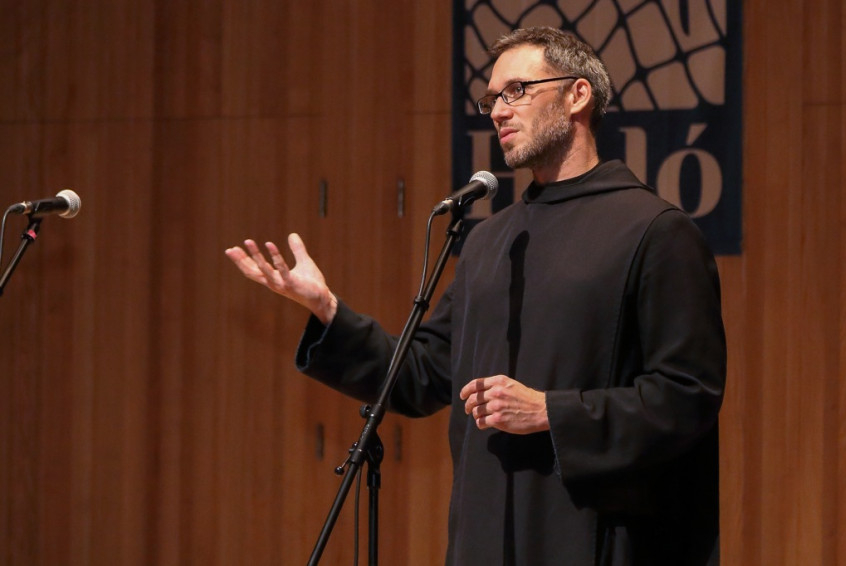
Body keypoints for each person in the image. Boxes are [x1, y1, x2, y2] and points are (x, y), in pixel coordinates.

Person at [226, 27, 726, 566]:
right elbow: (421, 375)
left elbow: (687, 396)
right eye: (491, 99)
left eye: (517, 91)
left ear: (577, 95)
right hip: (485, 534)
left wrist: (551, 411)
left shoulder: (655, 230)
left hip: (598, 535)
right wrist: (327, 310)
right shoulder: (490, 241)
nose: (498, 111)